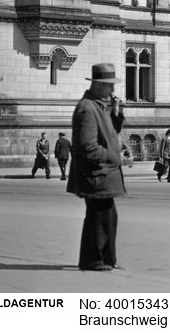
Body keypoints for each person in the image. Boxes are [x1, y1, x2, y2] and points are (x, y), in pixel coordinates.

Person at [67, 62, 126, 272]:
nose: (113, 90)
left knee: (108, 217)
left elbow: (110, 133)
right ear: (99, 85)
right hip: (95, 174)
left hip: (102, 174)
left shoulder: (98, 106)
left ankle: (107, 258)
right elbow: (88, 146)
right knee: (98, 218)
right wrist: (113, 157)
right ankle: (92, 260)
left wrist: (116, 113)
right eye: (110, 86)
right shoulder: (87, 108)